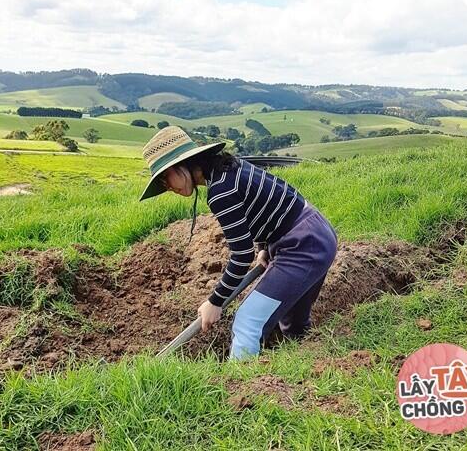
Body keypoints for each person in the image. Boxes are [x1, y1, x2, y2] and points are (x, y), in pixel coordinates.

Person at [139, 125, 338, 359]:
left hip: (302, 245)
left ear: (182, 164)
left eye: (165, 177)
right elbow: (264, 205)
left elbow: (242, 255)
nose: (168, 186)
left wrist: (215, 302)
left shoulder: (221, 191)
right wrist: (264, 246)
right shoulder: (231, 167)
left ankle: (241, 389)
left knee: (247, 323)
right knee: (292, 323)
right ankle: (306, 368)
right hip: (314, 233)